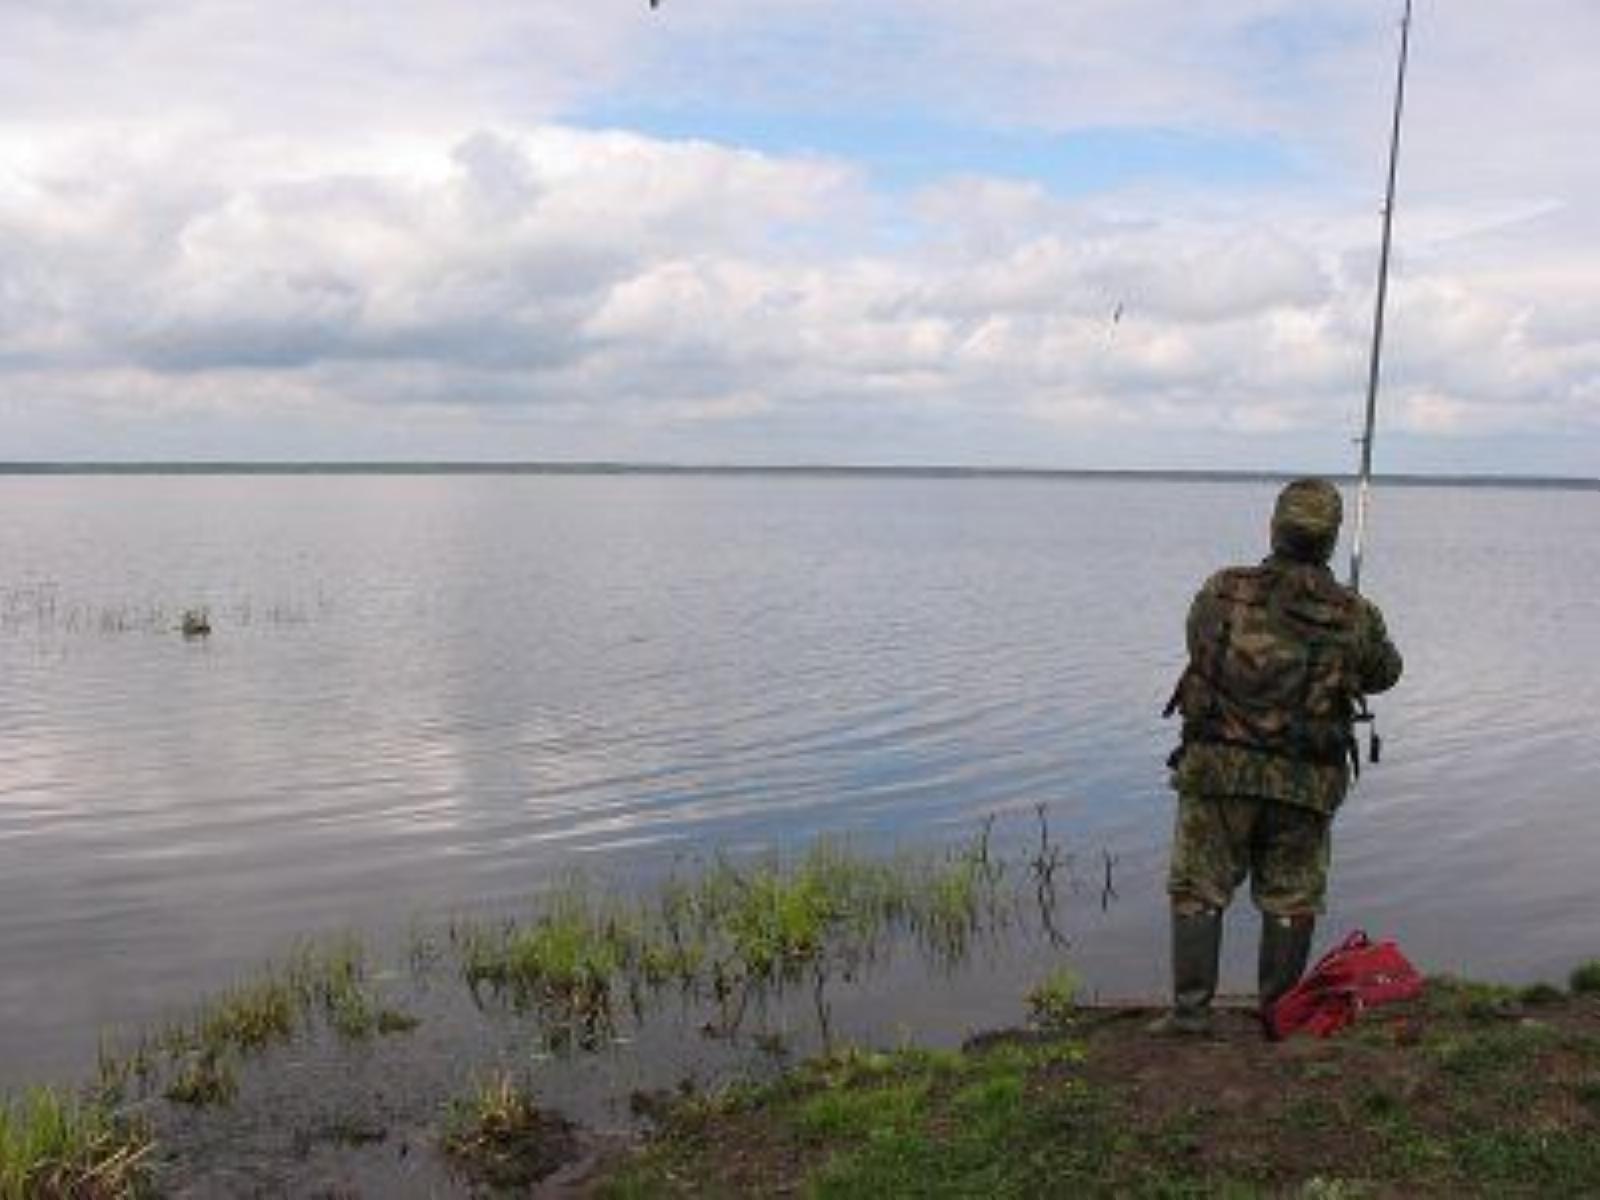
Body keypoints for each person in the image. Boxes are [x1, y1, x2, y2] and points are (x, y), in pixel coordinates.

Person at [1152, 477, 1403, 1037]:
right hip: (1305, 781)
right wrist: (1347, 625)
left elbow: (1196, 641)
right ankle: (1279, 1019)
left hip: (1217, 771)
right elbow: (1386, 673)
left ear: (1274, 528)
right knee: (1291, 897)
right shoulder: (1355, 613)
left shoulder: (1221, 590)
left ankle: (1190, 1016)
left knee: (1198, 889)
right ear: (1332, 540)